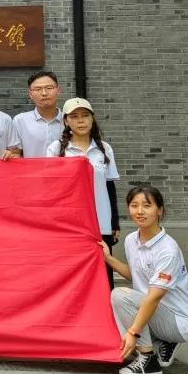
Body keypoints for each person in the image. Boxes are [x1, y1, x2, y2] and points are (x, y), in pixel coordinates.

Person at [101, 185, 188, 374]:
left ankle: (148, 361)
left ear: (159, 210)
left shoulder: (168, 250)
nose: (140, 211)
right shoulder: (131, 240)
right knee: (116, 325)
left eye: (147, 206)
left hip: (180, 321)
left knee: (120, 296)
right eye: (134, 205)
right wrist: (108, 258)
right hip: (158, 313)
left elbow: (154, 297)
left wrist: (133, 333)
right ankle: (165, 341)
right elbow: (136, 275)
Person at [47, 97, 120, 288]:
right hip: (70, 222)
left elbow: (110, 186)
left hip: (100, 220)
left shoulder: (105, 149)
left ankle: (105, 307)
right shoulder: (56, 149)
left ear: (92, 118)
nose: (81, 121)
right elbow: (51, 189)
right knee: (72, 273)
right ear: (66, 121)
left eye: (85, 116)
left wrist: (114, 222)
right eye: (74, 116)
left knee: (103, 271)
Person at [13, 70, 64, 158]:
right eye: (38, 89)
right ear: (30, 94)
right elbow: (15, 153)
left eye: (49, 88)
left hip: (64, 167)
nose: (44, 93)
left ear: (58, 90)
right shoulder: (20, 121)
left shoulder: (69, 120)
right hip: (32, 167)